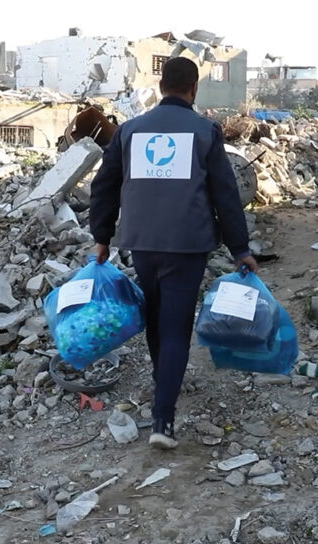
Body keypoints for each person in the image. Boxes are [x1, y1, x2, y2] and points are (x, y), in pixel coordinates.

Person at [90, 57, 258, 449]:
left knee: (156, 315)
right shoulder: (204, 131)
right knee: (176, 325)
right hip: (187, 243)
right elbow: (225, 194)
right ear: (193, 88)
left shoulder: (130, 131)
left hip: (142, 241)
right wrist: (240, 249)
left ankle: (162, 380)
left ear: (162, 85)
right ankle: (162, 420)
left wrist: (101, 237)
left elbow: (103, 187)